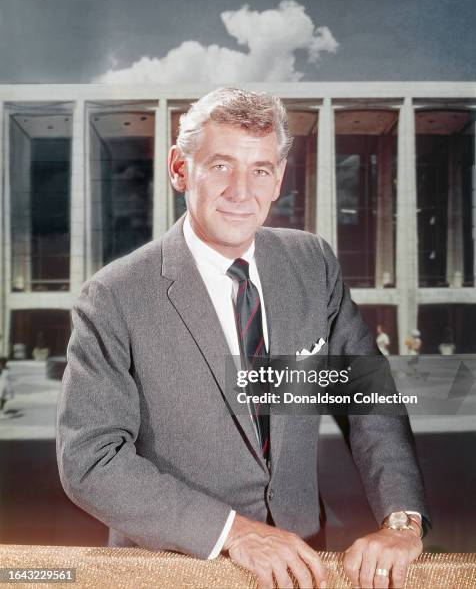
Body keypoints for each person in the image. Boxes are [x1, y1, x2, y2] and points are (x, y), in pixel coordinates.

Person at [57, 88, 429, 589]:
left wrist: (402, 521)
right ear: (180, 169)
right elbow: (90, 460)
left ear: (277, 180)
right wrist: (234, 532)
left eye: (259, 170)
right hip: (179, 571)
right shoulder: (113, 296)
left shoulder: (311, 264)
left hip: (303, 560)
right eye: (221, 165)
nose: (241, 191)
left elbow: (368, 399)